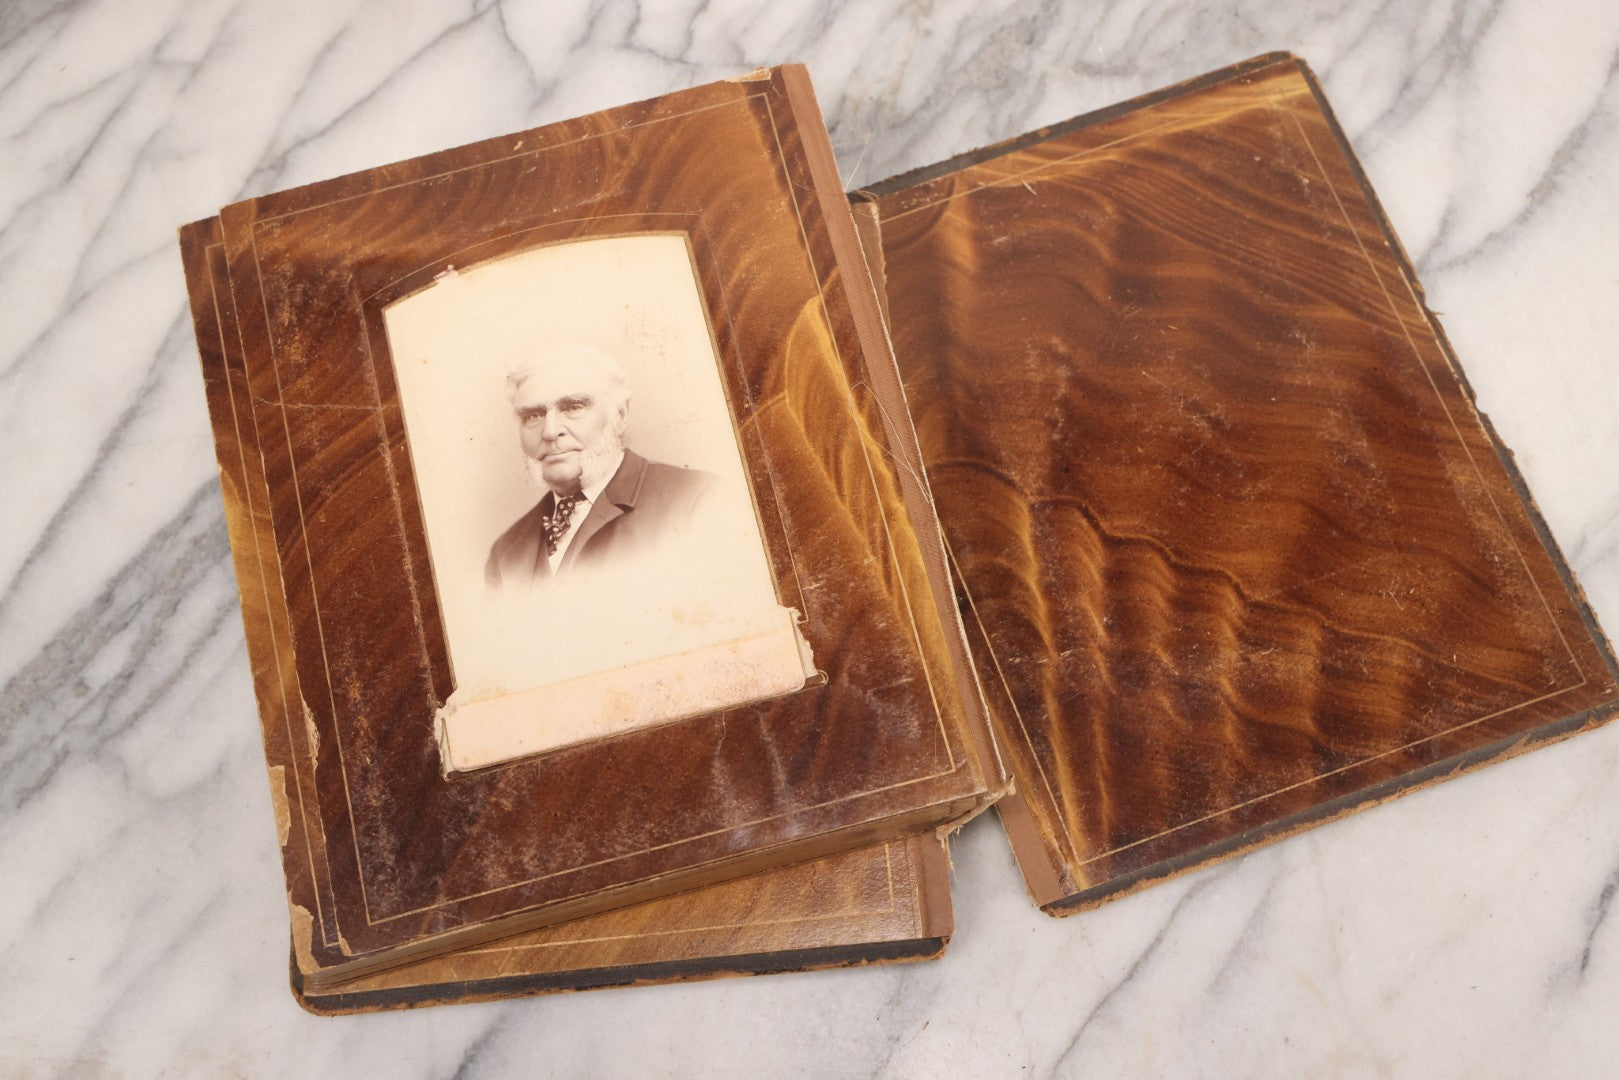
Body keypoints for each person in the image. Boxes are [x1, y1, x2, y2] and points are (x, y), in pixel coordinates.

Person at [485, 344, 715, 588]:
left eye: (573, 407)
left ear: (620, 415)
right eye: (533, 416)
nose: (550, 431)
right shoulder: (505, 553)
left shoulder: (699, 501)